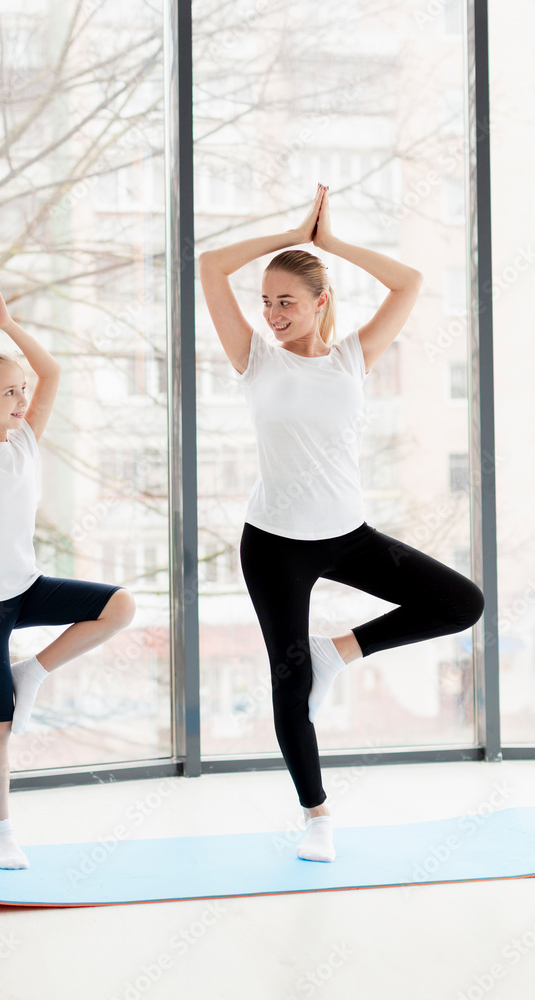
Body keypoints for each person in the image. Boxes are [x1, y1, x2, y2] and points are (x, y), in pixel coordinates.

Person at [199, 183, 485, 863]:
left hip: (348, 535)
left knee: (459, 602)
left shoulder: (352, 356)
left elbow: (410, 281)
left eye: (286, 301)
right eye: (265, 301)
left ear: (320, 302)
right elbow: (210, 268)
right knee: (289, 684)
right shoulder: (254, 357)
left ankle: (341, 651)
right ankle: (316, 816)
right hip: (273, 544)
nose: (271, 314)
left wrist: (329, 246)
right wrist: (285, 236)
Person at [0, 267, 136, 870]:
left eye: (21, 391)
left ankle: (33, 671)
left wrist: (5, 321)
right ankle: (0, 833)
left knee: (120, 605)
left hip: (28, 585)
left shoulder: (26, 443)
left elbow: (55, 373)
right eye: (10, 392)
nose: (22, 400)